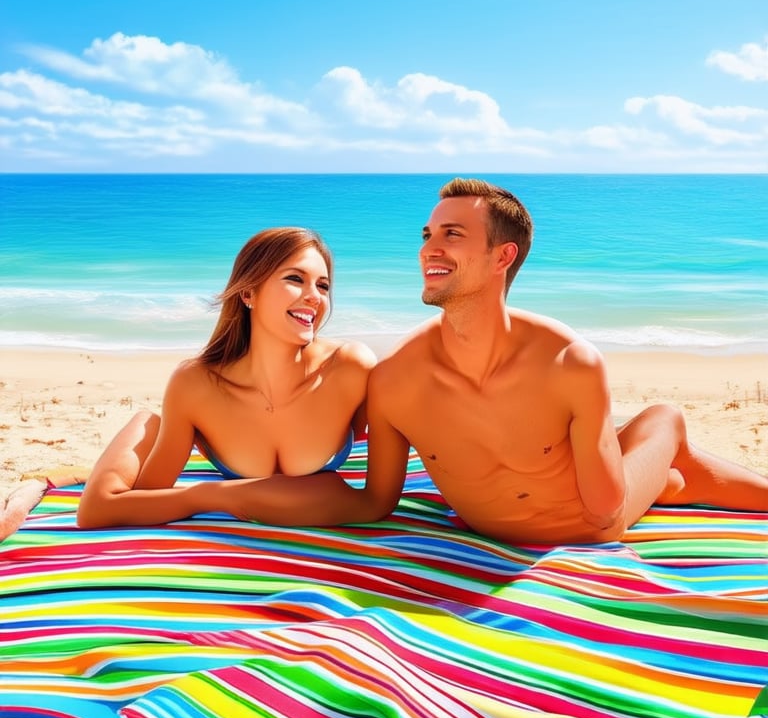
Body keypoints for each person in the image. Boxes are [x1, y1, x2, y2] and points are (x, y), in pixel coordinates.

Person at [213, 178, 768, 545]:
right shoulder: (396, 377)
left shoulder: (569, 362)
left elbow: (605, 512)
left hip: (595, 526)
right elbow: (375, 501)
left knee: (662, 422)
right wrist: (218, 496)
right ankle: (675, 467)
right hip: (538, 513)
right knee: (671, 480)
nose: (430, 247)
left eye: (452, 235)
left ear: (503, 256)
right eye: (428, 234)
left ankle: (664, 427)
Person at [77, 227, 376, 529]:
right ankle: (147, 424)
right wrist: (213, 495)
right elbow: (108, 509)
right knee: (151, 425)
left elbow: (370, 489)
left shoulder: (348, 367)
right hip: (170, 426)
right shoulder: (195, 385)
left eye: (323, 286)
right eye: (295, 279)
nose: (314, 297)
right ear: (248, 293)